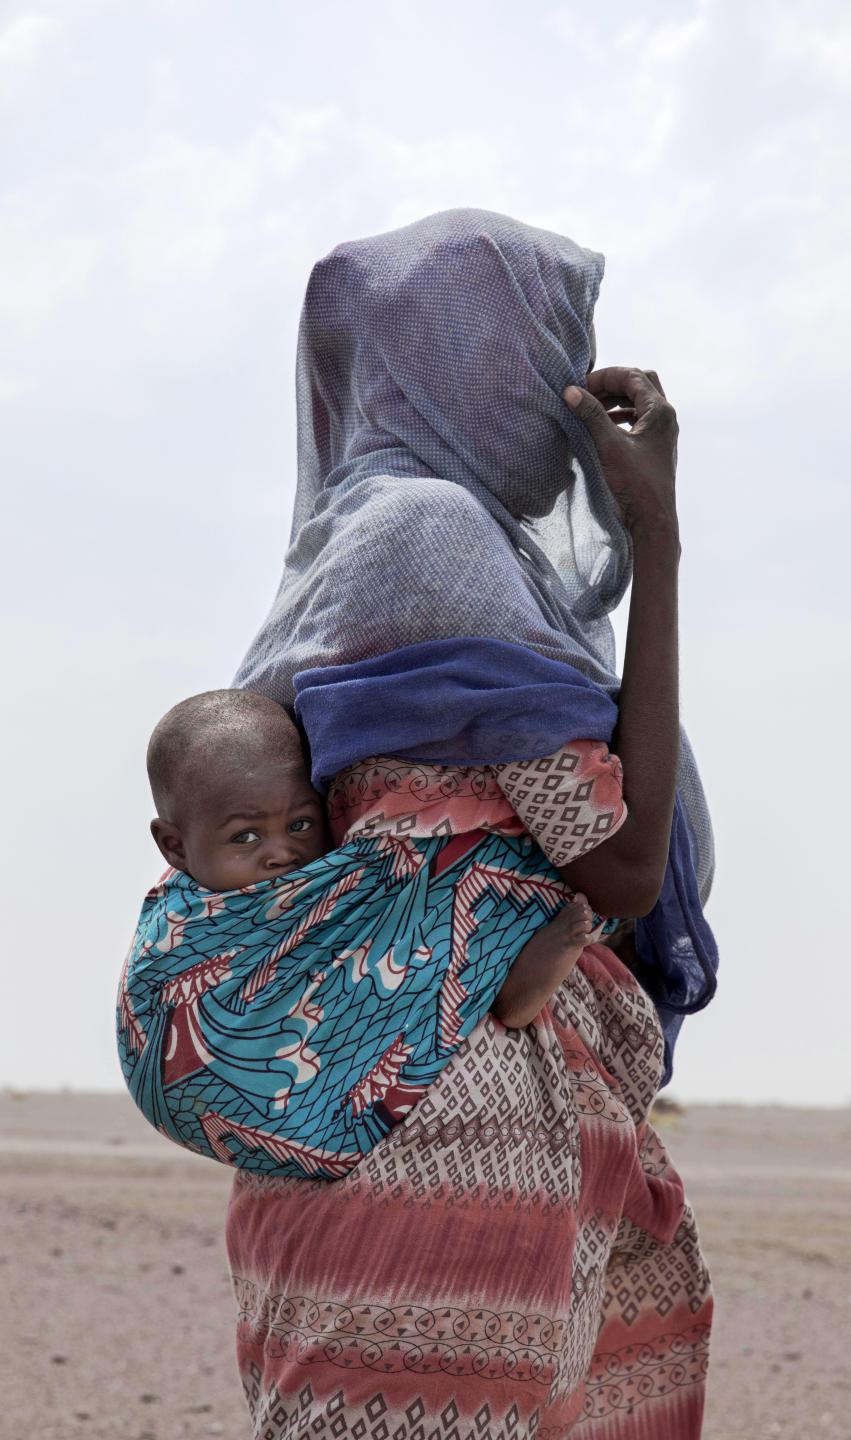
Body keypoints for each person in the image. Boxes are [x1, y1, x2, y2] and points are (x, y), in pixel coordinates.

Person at [180, 210, 718, 1437]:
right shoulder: (435, 542)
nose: (567, 392)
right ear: (485, 369)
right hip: (456, 1148)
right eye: (546, 355)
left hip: (349, 1126)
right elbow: (624, 866)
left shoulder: (334, 563)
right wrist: (660, 538)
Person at [117, 688, 606, 1177]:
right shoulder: (182, 921)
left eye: (302, 824)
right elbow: (154, 997)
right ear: (174, 847)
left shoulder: (348, 892)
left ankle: (511, 984)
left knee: (433, 918)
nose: (281, 852)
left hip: (368, 1076)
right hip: (242, 1099)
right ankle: (511, 993)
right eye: (245, 836)